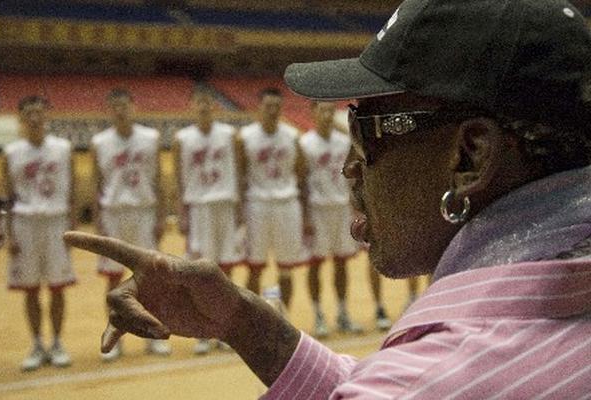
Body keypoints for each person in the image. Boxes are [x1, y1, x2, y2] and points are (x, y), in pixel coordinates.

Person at [65, 0, 591, 397]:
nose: (349, 163)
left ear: (470, 156)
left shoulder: (418, 382)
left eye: (367, 126)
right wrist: (246, 325)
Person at [91, 88, 171, 360]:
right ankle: (114, 335)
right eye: (115, 106)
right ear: (109, 110)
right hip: (113, 214)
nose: (120, 110)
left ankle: (153, 335)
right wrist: (98, 219)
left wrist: (160, 216)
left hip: (144, 212)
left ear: (133, 107)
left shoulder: (150, 138)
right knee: (113, 279)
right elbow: (96, 184)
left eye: (125, 105)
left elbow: (158, 180)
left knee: (150, 277)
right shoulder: (100, 142)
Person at [3, 96, 75, 371]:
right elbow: (7, 198)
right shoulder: (11, 152)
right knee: (30, 290)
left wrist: (72, 230)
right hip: (24, 224)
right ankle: (36, 343)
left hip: (56, 223)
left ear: (48, 116)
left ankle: (57, 342)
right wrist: (7, 233)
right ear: (21, 119)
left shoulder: (63, 148)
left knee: (57, 287)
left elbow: (69, 192)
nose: (34, 117)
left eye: (39, 112)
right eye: (28, 113)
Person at [173, 89, 243, 355]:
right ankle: (202, 330)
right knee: (198, 272)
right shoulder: (182, 138)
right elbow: (179, 179)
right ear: (191, 106)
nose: (203, 107)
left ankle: (225, 328)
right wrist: (181, 211)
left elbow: (237, 173)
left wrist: (238, 209)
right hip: (199, 207)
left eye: (207, 102)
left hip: (225, 204)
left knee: (227, 269)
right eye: (198, 102)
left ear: (214, 106)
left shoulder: (228, 135)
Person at [237, 87, 308, 308]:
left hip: (287, 204)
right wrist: (239, 210)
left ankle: (282, 317)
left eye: (277, 106)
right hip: (256, 205)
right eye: (268, 106)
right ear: (259, 108)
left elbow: (301, 173)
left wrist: (304, 211)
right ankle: (252, 319)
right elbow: (240, 175)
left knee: (286, 268)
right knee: (255, 267)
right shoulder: (245, 137)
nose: (273, 110)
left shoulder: (292, 136)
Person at [301, 101, 363, 337]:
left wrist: (356, 207)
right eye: (322, 111)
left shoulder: (344, 143)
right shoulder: (305, 143)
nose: (327, 115)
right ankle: (318, 315)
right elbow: (302, 181)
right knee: (315, 264)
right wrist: (305, 215)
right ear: (313, 113)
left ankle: (343, 312)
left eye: (330, 111)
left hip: (341, 209)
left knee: (341, 263)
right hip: (317, 210)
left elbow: (353, 178)